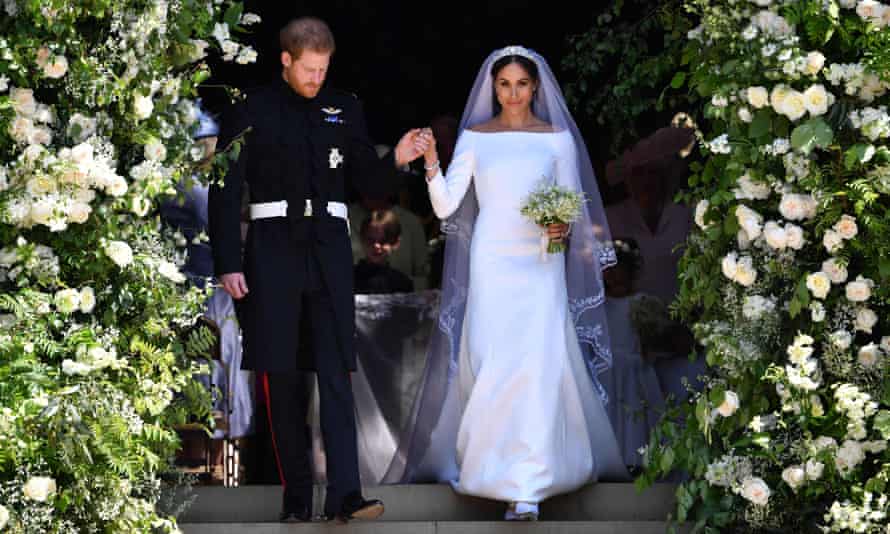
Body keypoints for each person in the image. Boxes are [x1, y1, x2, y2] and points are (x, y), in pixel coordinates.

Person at [207, 17, 429, 523]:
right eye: (308, 69)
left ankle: (346, 494)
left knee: (336, 373)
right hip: (271, 252)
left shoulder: (344, 107)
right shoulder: (251, 110)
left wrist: (396, 156)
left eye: (323, 69)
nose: (315, 79)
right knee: (281, 378)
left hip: (328, 252)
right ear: (285, 61)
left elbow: (366, 179)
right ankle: (297, 498)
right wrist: (227, 262)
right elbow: (224, 190)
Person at [407, 45, 627, 521]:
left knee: (536, 363)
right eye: (504, 84)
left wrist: (562, 228)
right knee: (491, 358)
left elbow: (572, 203)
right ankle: (491, 469)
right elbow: (446, 207)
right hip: (492, 260)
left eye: (521, 84)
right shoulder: (475, 137)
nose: (512, 93)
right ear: (494, 88)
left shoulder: (557, 140)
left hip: (539, 262)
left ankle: (526, 484)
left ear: (535, 87)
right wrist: (430, 163)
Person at [601, 238, 665, 468]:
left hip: (633, 371)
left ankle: (636, 459)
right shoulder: (599, 306)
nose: (612, 274)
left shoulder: (641, 303)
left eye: (617, 267)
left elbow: (653, 340)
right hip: (608, 372)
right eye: (607, 268)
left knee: (633, 415)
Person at [354, 209, 414, 294]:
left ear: (396, 242)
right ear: (361, 238)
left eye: (383, 241)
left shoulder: (402, 283)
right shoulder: (348, 278)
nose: (376, 246)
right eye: (370, 240)